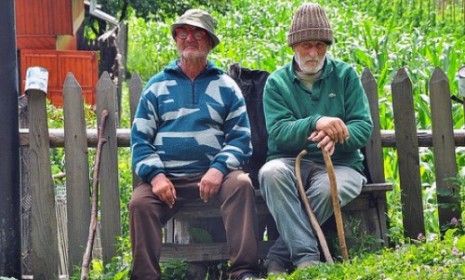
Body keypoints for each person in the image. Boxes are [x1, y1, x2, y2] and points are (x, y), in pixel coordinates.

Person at [129, 9, 260, 280]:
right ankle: (145, 276)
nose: (190, 38)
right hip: (168, 181)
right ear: (176, 39)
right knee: (139, 203)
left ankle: (243, 271)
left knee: (242, 185)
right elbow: (140, 140)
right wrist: (156, 177)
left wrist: (219, 169)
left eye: (199, 33)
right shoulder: (156, 87)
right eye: (183, 33)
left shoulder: (226, 86)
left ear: (210, 42)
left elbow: (241, 138)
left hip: (214, 177)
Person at [259, 3, 373, 274]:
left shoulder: (345, 76)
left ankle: (281, 256)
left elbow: (363, 126)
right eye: (306, 45)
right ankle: (308, 258)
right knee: (270, 173)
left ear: (327, 46)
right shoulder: (276, 83)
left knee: (326, 189)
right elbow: (278, 132)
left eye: (320, 45)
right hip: (289, 161)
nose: (313, 52)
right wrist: (315, 122)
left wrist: (338, 136)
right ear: (293, 45)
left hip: (341, 164)